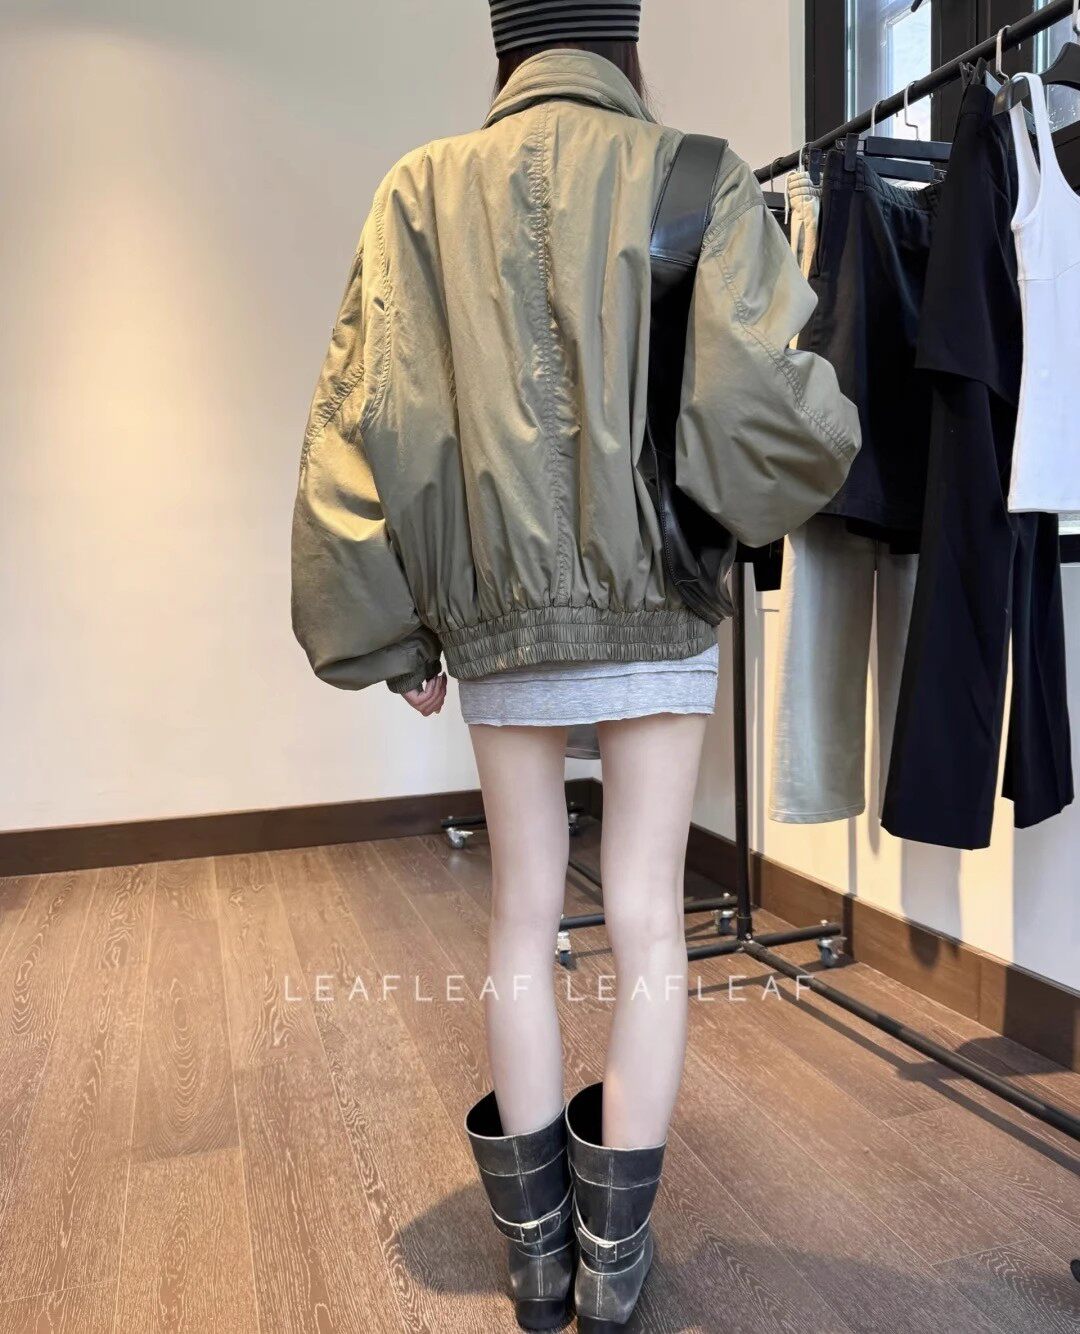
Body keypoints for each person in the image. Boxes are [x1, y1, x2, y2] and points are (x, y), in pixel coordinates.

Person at [291, 4, 859, 1329]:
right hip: (659, 607)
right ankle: (613, 1265)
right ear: (623, 38)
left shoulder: (420, 192)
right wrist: (821, 432)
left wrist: (395, 635)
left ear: (507, 42)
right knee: (650, 914)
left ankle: (537, 1258)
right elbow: (771, 411)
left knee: (521, 914)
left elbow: (366, 424)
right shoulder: (698, 178)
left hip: (498, 616)